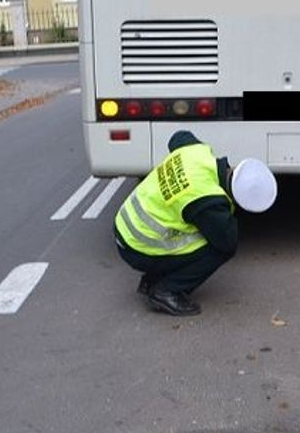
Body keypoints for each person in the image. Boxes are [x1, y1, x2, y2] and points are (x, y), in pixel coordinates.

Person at [114, 130, 278, 317]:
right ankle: (166, 290)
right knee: (220, 249)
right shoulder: (207, 200)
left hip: (123, 225)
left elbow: (178, 136)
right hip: (136, 246)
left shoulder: (198, 153)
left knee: (193, 231)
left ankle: (153, 279)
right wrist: (230, 211)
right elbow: (228, 240)